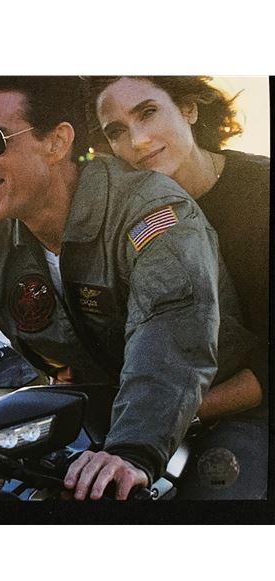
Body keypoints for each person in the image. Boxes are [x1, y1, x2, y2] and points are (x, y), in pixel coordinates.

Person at [0, 76, 255, 500]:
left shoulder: (151, 213)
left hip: (214, 416)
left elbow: (169, 345)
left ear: (57, 142)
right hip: (104, 423)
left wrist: (130, 451)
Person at [85, 76, 269, 498]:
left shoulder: (261, 192)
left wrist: (171, 415)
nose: (138, 140)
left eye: (148, 113)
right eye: (116, 131)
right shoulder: (119, 215)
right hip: (162, 413)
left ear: (189, 108)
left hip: (251, 412)